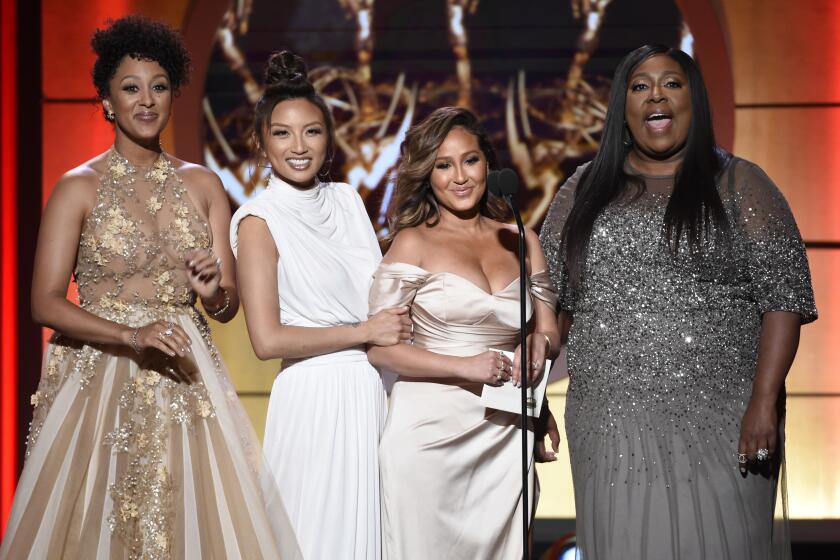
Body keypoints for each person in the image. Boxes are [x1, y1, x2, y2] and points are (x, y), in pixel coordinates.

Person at [0, 15, 301, 559]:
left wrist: (211, 291)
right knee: (95, 520)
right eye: (131, 88)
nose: (146, 101)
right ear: (108, 101)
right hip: (97, 372)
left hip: (184, 373)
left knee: (188, 517)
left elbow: (227, 306)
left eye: (159, 87)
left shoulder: (204, 184)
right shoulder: (77, 188)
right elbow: (43, 302)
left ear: (172, 95)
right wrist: (130, 334)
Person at [540, 44, 817, 560]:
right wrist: (534, 398)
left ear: (695, 98)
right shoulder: (584, 189)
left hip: (724, 419)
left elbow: (785, 299)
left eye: (671, 83)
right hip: (609, 421)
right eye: (640, 86)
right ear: (623, 106)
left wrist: (763, 402)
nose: (655, 96)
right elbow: (548, 301)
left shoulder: (741, 183)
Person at [229, 50, 410, 559]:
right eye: (282, 133)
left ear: (329, 138)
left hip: (372, 391)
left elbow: (380, 296)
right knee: (314, 538)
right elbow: (266, 340)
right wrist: (364, 332)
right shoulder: (257, 220)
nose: (298, 145)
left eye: (311, 131)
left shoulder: (350, 200)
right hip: (314, 398)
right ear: (262, 142)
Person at [367, 106, 562, 559]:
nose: (459, 176)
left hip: (505, 431)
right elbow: (381, 350)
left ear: (488, 166)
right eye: (443, 164)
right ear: (426, 175)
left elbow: (548, 329)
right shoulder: (413, 242)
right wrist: (465, 366)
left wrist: (539, 341)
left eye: (469, 161)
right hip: (429, 433)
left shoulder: (521, 239)